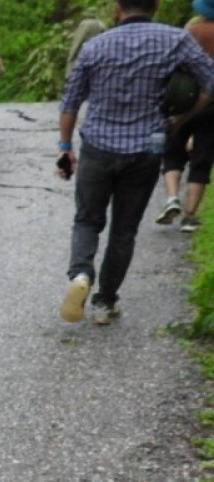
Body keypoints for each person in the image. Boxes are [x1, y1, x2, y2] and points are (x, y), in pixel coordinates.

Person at [57, 0, 214, 325]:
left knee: (87, 220)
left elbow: (71, 99)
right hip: (145, 150)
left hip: (98, 147)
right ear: (155, 6)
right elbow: (209, 83)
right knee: (124, 231)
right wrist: (183, 118)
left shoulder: (95, 45)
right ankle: (104, 303)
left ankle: (81, 275)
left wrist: (64, 147)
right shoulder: (176, 39)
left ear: (117, 8)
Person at [155, 0, 214, 233]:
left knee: (173, 150)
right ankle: (189, 217)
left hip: (184, 100)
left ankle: (172, 198)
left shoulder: (190, 31)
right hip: (211, 106)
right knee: (202, 158)